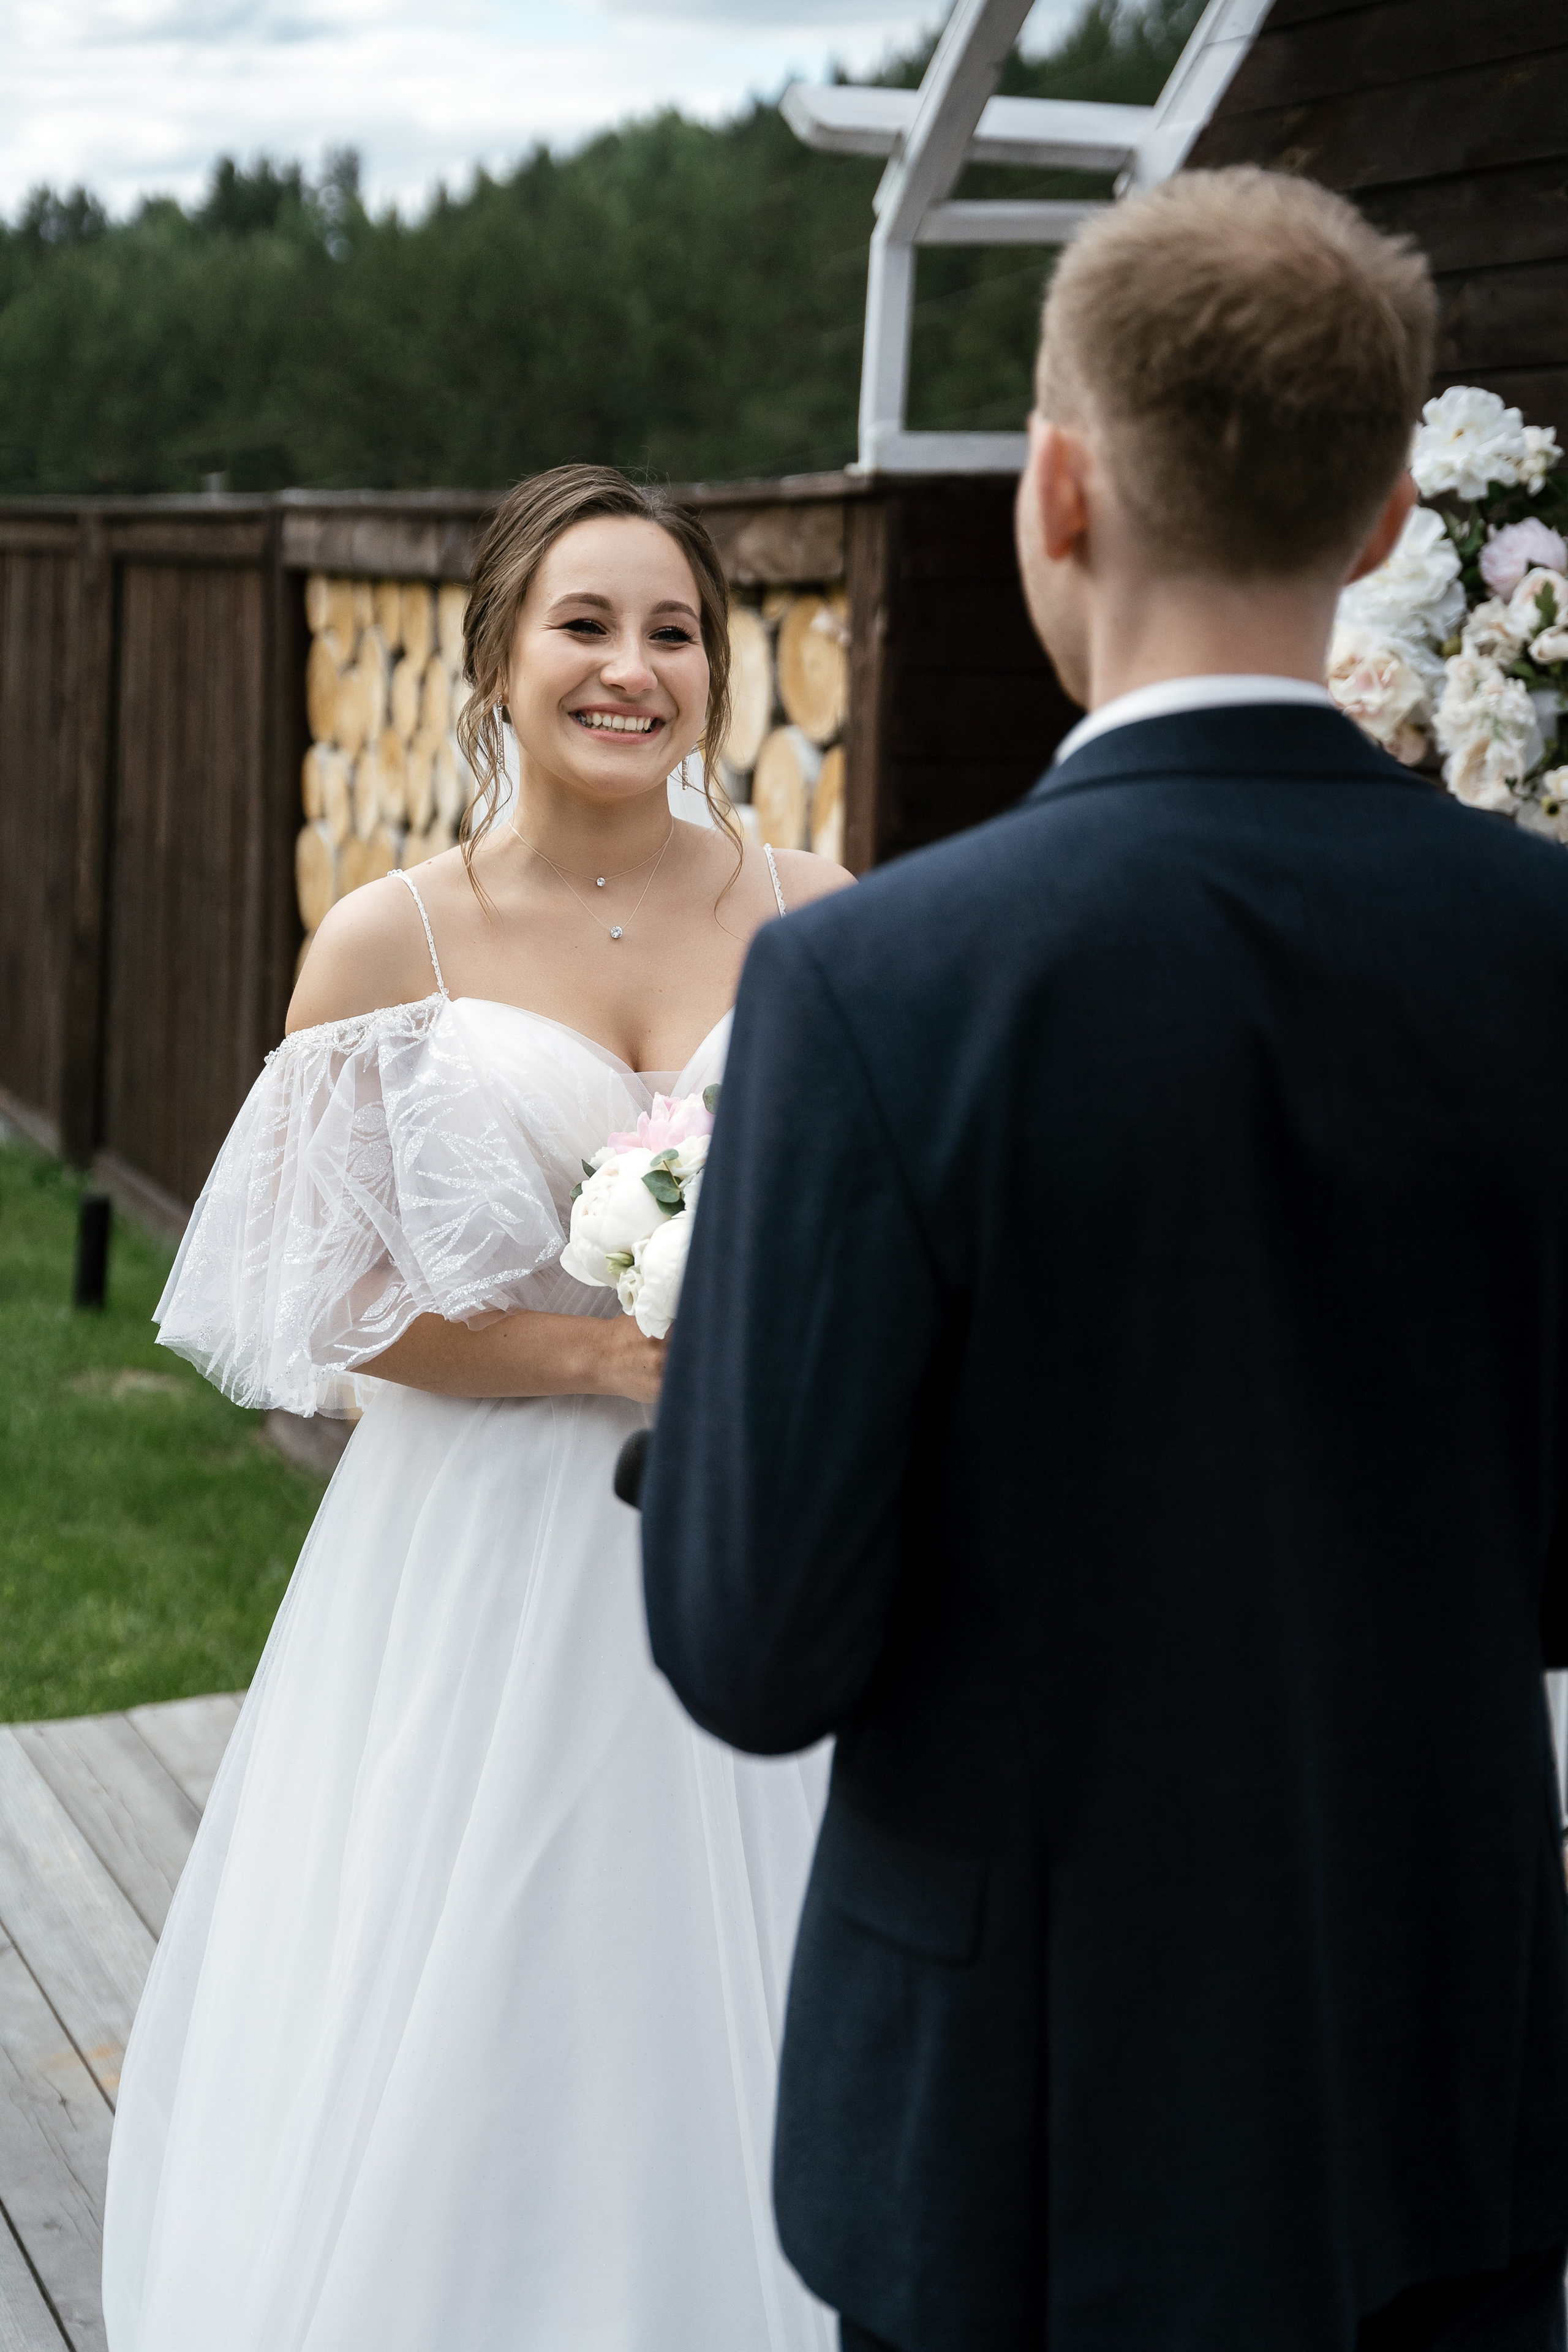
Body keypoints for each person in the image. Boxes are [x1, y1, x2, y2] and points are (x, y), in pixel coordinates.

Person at [641, 167, 1568, 2352]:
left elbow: (756, 1652)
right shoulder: (1547, 952)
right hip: (1451, 2089)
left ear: (1055, 490)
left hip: (1026, 2146)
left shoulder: (885, 989)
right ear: (1378, 523)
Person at [101, 464, 852, 2352]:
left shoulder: (825, 912)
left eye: (674, 629)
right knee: (482, 1966)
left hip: (751, 1528)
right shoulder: (389, 941)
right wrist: (601, 1355)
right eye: (585, 625)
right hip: (483, 1551)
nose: (634, 667)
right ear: (499, 660)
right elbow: (334, 1302)